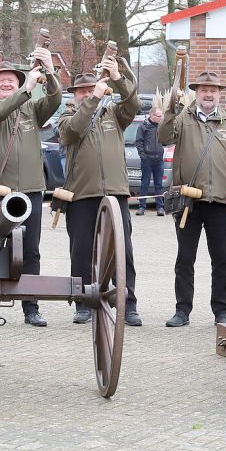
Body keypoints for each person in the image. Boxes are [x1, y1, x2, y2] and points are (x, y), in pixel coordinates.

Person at [158, 71, 226, 328]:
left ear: (220, 93)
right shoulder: (182, 119)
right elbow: (163, 136)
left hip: (220, 201)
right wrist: (170, 109)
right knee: (185, 258)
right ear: (196, 93)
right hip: (187, 201)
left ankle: (222, 311)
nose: (208, 94)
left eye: (213, 90)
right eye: (203, 90)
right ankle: (182, 311)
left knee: (222, 259)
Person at [0, 50, 60, 327]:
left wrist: (49, 71)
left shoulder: (32, 109)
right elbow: (2, 110)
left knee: (31, 251)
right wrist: (26, 88)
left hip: (31, 191)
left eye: (11, 79)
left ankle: (31, 307)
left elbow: (55, 100)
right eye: (1, 80)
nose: (6, 83)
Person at [58, 57, 142, 327]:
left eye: (91, 89)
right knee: (81, 251)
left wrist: (117, 77)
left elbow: (133, 104)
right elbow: (73, 131)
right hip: (81, 194)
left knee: (123, 251)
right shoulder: (68, 116)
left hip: (116, 192)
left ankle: (127, 303)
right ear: (75, 95)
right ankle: (82, 302)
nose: (86, 93)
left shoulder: (114, 114)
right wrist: (93, 99)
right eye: (81, 91)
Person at [134, 106, 165, 216]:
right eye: (159, 116)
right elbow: (138, 142)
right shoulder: (143, 127)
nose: (161, 118)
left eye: (161, 116)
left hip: (159, 159)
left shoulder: (162, 127)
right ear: (152, 115)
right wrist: (143, 156)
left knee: (159, 184)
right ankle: (141, 207)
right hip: (147, 159)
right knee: (145, 183)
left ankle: (160, 208)